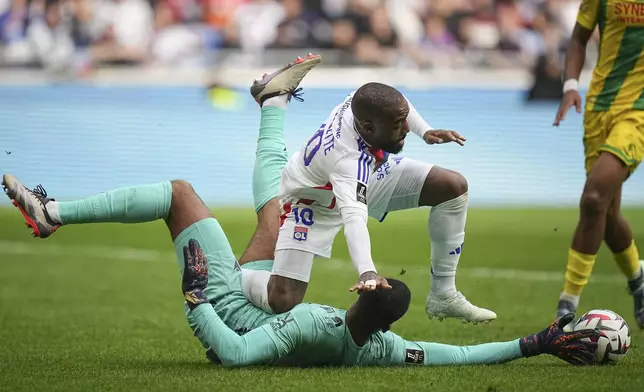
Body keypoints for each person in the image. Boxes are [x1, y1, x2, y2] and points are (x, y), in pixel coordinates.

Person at [2, 57, 597, 367]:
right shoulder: (383, 350)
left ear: (366, 302)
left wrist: (199, 299)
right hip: (314, 197)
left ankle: (56, 213)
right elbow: (455, 356)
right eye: (395, 126)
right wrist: (534, 344)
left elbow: (235, 356)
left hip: (231, 304)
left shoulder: (320, 325)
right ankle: (273, 101)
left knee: (193, 197)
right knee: (275, 234)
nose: (404, 126)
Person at [242, 64, 496, 324]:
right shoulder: (347, 160)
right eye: (398, 125)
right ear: (368, 128)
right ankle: (231, 277)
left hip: (364, 179)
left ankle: (444, 294)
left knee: (452, 186)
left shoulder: (360, 101)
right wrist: (367, 271)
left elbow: (400, 102)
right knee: (282, 299)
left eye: (404, 121)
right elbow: (354, 219)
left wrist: (425, 131)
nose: (406, 129)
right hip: (312, 204)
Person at [553, 0, 644, 329]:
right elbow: (579, 38)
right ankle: (639, 280)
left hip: (638, 113)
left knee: (593, 198)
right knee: (605, 212)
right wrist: (570, 86)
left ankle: (567, 305)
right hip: (598, 108)